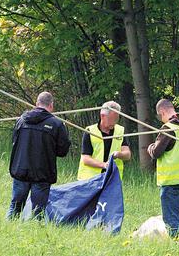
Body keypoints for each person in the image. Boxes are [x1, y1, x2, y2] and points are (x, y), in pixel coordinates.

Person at [8, 91, 71, 220]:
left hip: (21, 170)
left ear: (36, 104)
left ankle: (6, 232)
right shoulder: (57, 124)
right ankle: (36, 237)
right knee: (38, 213)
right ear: (51, 106)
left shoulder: (21, 120)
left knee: (15, 207)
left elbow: (14, 142)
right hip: (42, 174)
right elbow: (63, 151)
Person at [147, 98, 179, 244]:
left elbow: (156, 153)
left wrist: (150, 147)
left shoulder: (168, 128)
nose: (161, 119)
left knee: (170, 218)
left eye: (159, 116)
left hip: (172, 180)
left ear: (162, 111)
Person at [77, 101, 131, 180]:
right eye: (111, 119)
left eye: (116, 119)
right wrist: (104, 165)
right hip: (90, 179)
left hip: (112, 179)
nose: (114, 122)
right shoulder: (90, 131)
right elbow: (85, 159)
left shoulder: (120, 131)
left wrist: (118, 154)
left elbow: (127, 155)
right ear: (102, 116)